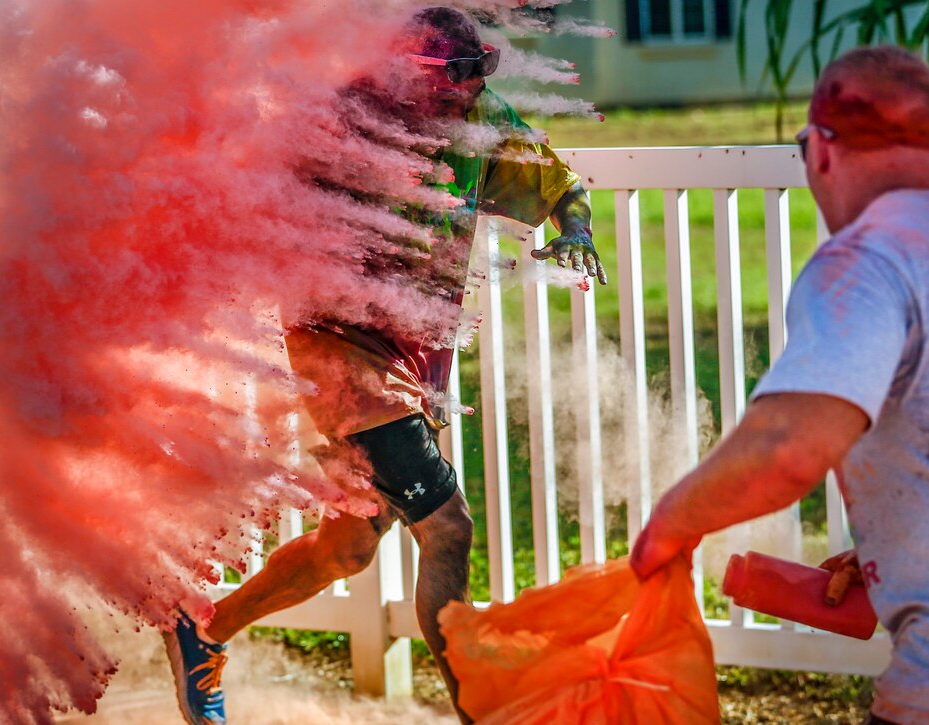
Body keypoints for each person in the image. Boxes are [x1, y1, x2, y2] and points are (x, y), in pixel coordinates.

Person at [163, 8, 606, 724]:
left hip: (412, 364)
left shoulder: (479, 116)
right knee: (447, 527)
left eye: (474, 74)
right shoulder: (339, 119)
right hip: (338, 353)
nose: (464, 93)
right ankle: (481, 711)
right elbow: (244, 198)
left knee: (347, 549)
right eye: (447, 80)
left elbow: (560, 185)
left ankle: (203, 628)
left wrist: (576, 229)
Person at [631, 45, 929, 724]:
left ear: (818, 151)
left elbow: (787, 448)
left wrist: (669, 523)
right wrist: (900, 542)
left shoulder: (864, 256)